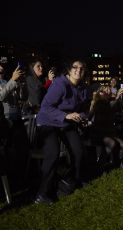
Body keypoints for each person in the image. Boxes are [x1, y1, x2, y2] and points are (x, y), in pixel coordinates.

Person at [35, 58, 88, 204]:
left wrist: (82, 117)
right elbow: (45, 108)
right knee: (53, 153)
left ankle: (72, 180)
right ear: (69, 70)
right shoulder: (60, 84)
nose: (78, 70)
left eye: (82, 68)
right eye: (75, 67)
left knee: (79, 151)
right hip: (48, 121)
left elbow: (83, 109)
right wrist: (66, 115)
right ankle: (42, 194)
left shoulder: (83, 87)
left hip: (66, 123)